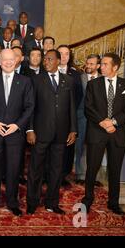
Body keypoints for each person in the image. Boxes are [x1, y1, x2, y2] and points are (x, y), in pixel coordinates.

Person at [81, 53, 125, 215]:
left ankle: (113, 203)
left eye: (104, 64)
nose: (100, 66)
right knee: (92, 169)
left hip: (118, 134)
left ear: (115, 67)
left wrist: (113, 122)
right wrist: (104, 122)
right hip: (97, 132)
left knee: (115, 169)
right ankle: (87, 200)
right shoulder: (93, 84)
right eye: (100, 64)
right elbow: (88, 108)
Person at [0, 49, 34, 216]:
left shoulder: (25, 81)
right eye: (4, 59)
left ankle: (13, 203)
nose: (8, 62)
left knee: (13, 170)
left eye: (11, 59)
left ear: (17, 61)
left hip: (15, 134)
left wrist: (17, 125)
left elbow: (29, 107)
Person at [26, 50, 77, 215]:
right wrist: (30, 129)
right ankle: (32, 202)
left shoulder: (68, 80)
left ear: (58, 61)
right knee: (36, 169)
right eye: (44, 59)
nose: (45, 61)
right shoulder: (36, 80)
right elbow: (30, 107)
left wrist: (73, 129)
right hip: (40, 133)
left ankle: (51, 202)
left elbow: (71, 107)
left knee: (56, 170)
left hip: (61, 134)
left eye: (49, 59)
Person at [57, 45, 83, 187]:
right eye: (61, 53)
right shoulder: (47, 70)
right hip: (52, 116)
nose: (64, 56)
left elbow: (78, 95)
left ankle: (63, 175)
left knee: (68, 147)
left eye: (66, 54)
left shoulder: (76, 74)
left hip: (69, 116)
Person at [75, 54, 101, 185]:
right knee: (79, 146)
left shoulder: (103, 79)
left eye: (92, 64)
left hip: (98, 120)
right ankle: (79, 175)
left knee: (95, 147)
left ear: (98, 66)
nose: (89, 66)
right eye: (87, 63)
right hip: (81, 117)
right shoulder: (80, 78)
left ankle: (93, 177)